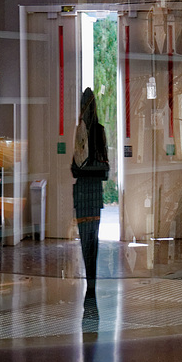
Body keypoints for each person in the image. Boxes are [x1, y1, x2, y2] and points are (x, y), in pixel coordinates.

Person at [71, 87, 109, 311]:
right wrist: (85, 169)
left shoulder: (97, 131)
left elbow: (105, 170)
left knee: (91, 242)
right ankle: (90, 283)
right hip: (87, 193)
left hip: (91, 193)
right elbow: (74, 169)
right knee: (87, 243)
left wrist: (84, 169)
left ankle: (91, 284)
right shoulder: (81, 132)